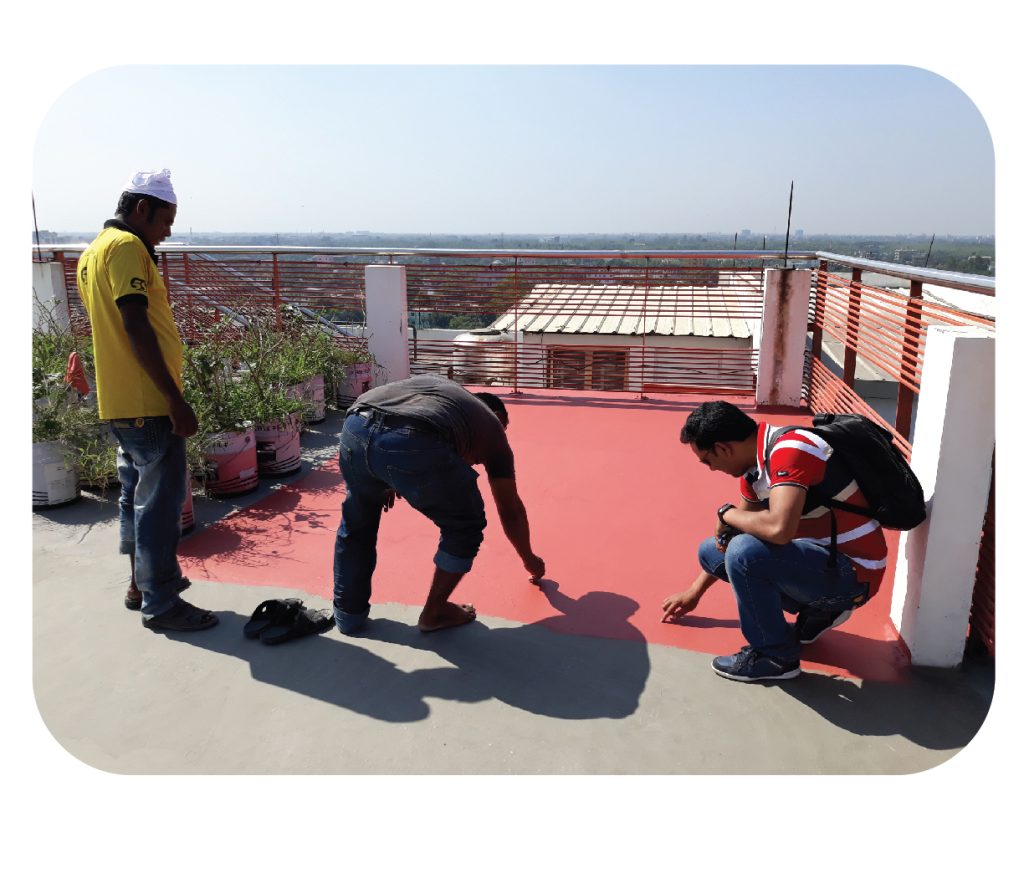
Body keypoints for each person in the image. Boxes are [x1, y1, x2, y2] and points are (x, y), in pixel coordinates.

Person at [77, 169, 217, 631]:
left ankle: (141, 585)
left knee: (135, 497)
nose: (168, 232)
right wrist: (174, 399)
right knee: (159, 505)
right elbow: (134, 323)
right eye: (165, 220)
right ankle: (162, 603)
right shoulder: (126, 248)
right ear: (142, 209)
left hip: (121, 400)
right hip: (149, 401)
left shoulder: (92, 252)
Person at [662, 400, 886, 682]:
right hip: (821, 562)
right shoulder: (755, 469)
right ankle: (818, 611)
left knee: (744, 552)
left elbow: (780, 530)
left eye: (708, 460)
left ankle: (775, 656)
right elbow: (734, 534)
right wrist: (693, 592)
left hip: (855, 572)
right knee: (711, 551)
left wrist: (726, 513)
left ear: (723, 448)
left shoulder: (792, 449)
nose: (711, 468)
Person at [333, 374, 545, 634]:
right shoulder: (493, 429)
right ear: (498, 417)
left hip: (355, 426)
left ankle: (348, 616)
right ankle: (435, 612)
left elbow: (389, 424)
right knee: (465, 525)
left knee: (358, 524)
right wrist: (530, 559)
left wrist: (384, 476)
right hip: (411, 438)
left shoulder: (444, 396)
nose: (479, 461)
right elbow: (510, 509)